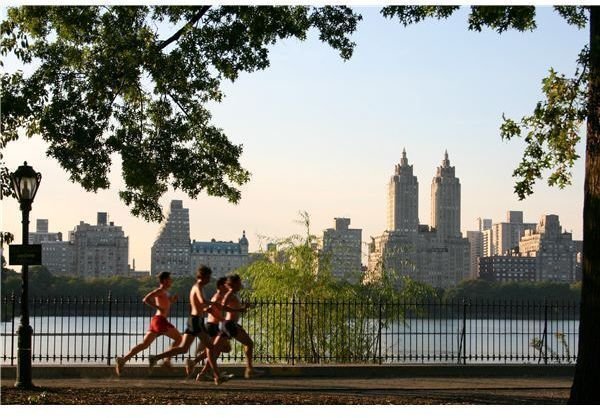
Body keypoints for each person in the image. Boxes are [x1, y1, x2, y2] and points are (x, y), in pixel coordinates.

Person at [148, 264, 226, 385]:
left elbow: (198, 304)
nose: (210, 280)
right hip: (196, 321)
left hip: (194, 320)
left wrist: (209, 307)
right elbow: (201, 301)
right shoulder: (198, 287)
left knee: (184, 348)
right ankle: (216, 376)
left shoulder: (198, 287)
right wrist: (215, 304)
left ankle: (155, 357)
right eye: (209, 277)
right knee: (211, 347)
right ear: (203, 276)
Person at [115, 271, 181, 376]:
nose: (171, 281)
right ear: (164, 280)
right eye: (170, 279)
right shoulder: (159, 290)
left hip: (157, 320)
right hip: (160, 320)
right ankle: (166, 361)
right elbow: (145, 299)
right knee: (179, 339)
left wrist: (173, 300)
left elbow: (166, 303)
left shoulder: (166, 292)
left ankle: (123, 360)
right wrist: (158, 307)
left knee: (144, 344)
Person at [197, 273, 262, 380]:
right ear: (235, 284)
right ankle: (249, 370)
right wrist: (238, 310)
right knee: (249, 343)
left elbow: (230, 307)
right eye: (239, 282)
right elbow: (222, 307)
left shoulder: (233, 294)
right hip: (230, 325)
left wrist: (243, 307)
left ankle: (203, 373)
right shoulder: (230, 293)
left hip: (229, 324)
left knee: (214, 350)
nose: (241, 284)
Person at [184, 276, 233, 378]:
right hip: (211, 326)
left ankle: (200, 370)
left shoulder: (219, 297)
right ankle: (204, 372)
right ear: (220, 286)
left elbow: (208, 309)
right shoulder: (218, 297)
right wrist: (222, 320)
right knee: (218, 349)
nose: (228, 287)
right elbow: (210, 309)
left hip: (213, 326)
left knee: (218, 350)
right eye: (226, 285)